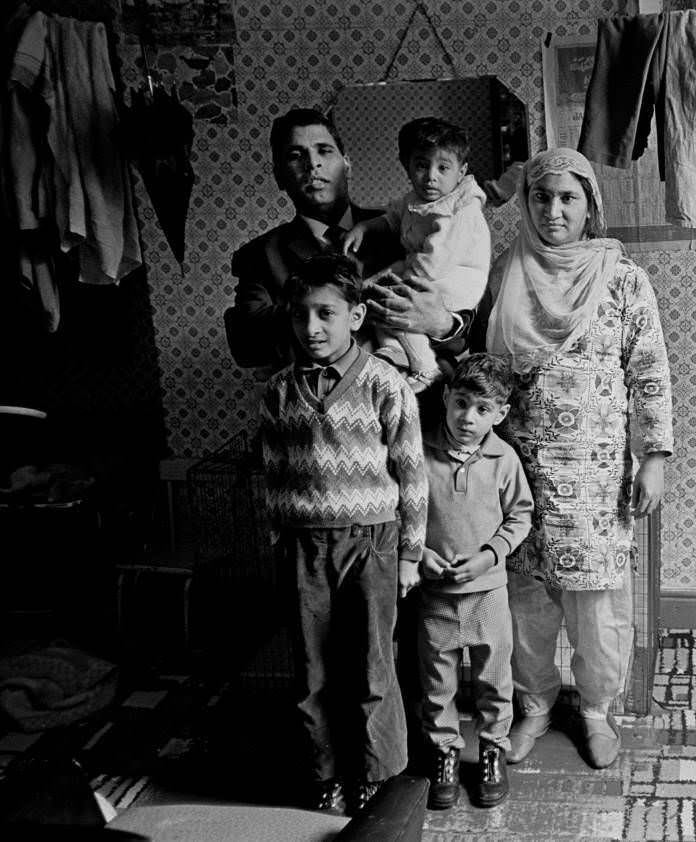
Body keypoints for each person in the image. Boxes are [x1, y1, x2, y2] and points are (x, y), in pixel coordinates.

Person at [475, 148, 674, 769]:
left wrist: (655, 455)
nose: (554, 210)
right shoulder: (504, 272)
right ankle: (533, 706)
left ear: (591, 206)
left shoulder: (622, 279)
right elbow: (484, 375)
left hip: (594, 475)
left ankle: (595, 711)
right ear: (528, 205)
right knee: (526, 605)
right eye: (541, 197)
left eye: (568, 198)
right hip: (519, 470)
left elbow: (649, 372)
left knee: (597, 608)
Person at [258, 253, 427, 816]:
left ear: (356, 316)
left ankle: (377, 776)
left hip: (372, 542)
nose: (312, 328)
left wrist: (410, 553)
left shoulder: (385, 382)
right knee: (311, 668)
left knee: (373, 664)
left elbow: (410, 472)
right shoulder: (279, 391)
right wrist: (278, 534)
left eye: (326, 313)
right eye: (301, 314)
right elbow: (274, 470)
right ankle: (324, 772)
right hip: (304, 543)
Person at [224, 107, 467, 381]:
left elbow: (464, 329)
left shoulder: (408, 226)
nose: (312, 164)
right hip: (328, 413)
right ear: (279, 176)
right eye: (296, 155)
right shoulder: (259, 256)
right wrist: (331, 308)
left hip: (424, 407)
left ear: (347, 164)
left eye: (324, 151)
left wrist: (444, 324)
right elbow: (247, 346)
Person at [417, 352, 532, 810]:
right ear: (446, 398)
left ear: (500, 414)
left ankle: (491, 751)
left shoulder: (504, 460)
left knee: (493, 678)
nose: (468, 417)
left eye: (482, 409)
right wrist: (418, 554)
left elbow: (520, 518)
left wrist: (488, 557)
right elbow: (406, 515)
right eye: (461, 403)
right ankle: (444, 751)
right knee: (436, 681)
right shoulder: (419, 453)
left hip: (488, 593)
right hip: (435, 595)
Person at [343, 117, 490, 395]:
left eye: (443, 167)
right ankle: (394, 350)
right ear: (407, 166)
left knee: (395, 301)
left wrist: (395, 275)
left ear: (461, 172)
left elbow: (435, 261)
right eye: (422, 165)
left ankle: (425, 367)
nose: (431, 176)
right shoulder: (416, 199)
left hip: (456, 276)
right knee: (383, 308)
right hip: (428, 270)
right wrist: (365, 227)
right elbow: (393, 218)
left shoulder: (460, 209)